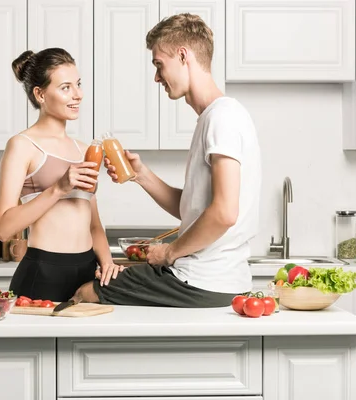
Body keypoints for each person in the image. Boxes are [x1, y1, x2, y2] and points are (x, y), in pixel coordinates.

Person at [71, 13, 262, 307]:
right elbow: (194, 209)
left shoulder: (222, 118)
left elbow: (224, 213)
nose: (157, 77)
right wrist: (141, 174)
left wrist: (170, 252)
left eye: (159, 64)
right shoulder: (217, 117)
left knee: (86, 293)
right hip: (218, 279)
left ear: (183, 56)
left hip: (198, 279)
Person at [0, 48, 123, 302]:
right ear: (40, 94)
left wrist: (107, 264)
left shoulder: (86, 150)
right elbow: (3, 228)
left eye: (78, 84)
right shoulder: (22, 145)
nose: (78, 95)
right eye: (66, 87)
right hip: (42, 272)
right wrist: (58, 188)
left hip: (87, 273)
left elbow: (94, 225)